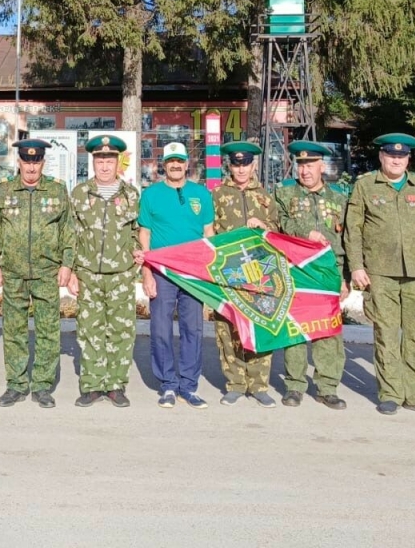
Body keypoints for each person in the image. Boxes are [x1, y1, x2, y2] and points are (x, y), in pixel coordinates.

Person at [344, 133, 415, 417]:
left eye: (401, 157)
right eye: (391, 155)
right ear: (381, 157)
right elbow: (353, 229)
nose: (396, 160)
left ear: (408, 159)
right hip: (380, 273)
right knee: (387, 335)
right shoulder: (366, 186)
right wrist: (357, 266)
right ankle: (390, 393)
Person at [0, 139, 73, 408]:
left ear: (43, 163)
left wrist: (67, 264)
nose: (31, 166)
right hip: (13, 273)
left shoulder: (57, 191)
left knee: (48, 330)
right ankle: (16, 384)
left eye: (36, 161)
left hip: (47, 271)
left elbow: (68, 230)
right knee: (14, 330)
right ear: (19, 162)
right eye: (27, 160)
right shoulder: (2, 192)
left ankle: (43, 386)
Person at [135, 142, 214, 409]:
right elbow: (144, 235)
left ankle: (189, 387)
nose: (176, 165)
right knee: (160, 329)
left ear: (186, 163)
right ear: (164, 165)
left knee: (193, 329)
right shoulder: (150, 195)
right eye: (171, 161)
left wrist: (209, 275)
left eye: (180, 160)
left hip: (193, 273)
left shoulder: (201, 194)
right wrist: (146, 273)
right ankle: (168, 385)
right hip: (162, 272)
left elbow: (209, 235)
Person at [275, 140, 349, 409]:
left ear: (322, 165)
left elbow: (348, 238)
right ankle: (294, 386)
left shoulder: (339, 198)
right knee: (296, 328)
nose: (305, 170)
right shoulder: (284, 194)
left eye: (310, 164)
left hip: (329, 273)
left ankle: (327, 387)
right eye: (301, 164)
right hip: (296, 271)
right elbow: (279, 223)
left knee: (327, 332)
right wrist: (303, 233)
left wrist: (345, 276)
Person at [69, 134, 141, 407]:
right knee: (89, 330)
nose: (105, 165)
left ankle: (115, 385)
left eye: (110, 159)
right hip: (88, 274)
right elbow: (71, 235)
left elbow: (137, 233)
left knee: (121, 331)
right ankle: (92, 384)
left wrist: (136, 264)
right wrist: (73, 271)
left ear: (118, 162)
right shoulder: (79, 194)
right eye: (100, 159)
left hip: (121, 275)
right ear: (93, 162)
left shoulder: (131, 195)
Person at [210, 141, 279, 407]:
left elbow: (277, 228)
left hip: (260, 274)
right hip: (228, 272)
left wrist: (264, 224)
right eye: (236, 164)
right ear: (230, 165)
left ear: (253, 165)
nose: (241, 169)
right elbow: (208, 231)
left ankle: (259, 384)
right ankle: (235, 383)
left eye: (246, 164)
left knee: (261, 326)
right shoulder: (217, 194)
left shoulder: (265, 196)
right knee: (228, 329)